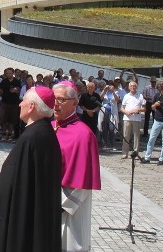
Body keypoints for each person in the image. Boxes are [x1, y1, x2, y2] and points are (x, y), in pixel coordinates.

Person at [0, 86, 62, 252]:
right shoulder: (42, 132)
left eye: (23, 101)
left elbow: (22, 184)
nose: (20, 104)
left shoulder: (33, 137)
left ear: (32, 106)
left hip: (21, 220)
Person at [52, 83, 101, 252]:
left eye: (61, 99)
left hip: (69, 207)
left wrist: (59, 204)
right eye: (53, 99)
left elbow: (84, 180)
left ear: (74, 103)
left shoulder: (83, 134)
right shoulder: (49, 127)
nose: (55, 104)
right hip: (46, 202)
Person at [120, 81, 145, 158]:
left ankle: (135, 153)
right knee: (126, 135)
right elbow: (122, 108)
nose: (133, 88)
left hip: (136, 119)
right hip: (127, 118)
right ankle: (125, 153)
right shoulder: (126, 96)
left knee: (136, 137)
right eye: (131, 86)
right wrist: (126, 112)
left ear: (136, 87)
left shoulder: (140, 96)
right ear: (129, 87)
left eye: (134, 86)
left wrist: (138, 110)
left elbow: (144, 108)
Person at [0, 68, 21, 142]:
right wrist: (1, 93)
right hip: (5, 102)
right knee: (4, 119)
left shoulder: (17, 81)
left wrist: (15, 91)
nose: (8, 74)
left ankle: (10, 134)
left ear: (13, 73)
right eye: (7, 73)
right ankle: (4, 134)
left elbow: (19, 91)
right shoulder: (3, 81)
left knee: (12, 120)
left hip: (14, 103)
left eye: (10, 73)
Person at [98, 81, 121, 149]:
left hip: (112, 112)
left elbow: (117, 100)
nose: (110, 87)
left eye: (112, 86)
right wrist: (105, 90)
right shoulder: (105, 92)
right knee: (105, 127)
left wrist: (113, 92)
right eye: (109, 86)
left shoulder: (116, 92)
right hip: (105, 111)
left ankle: (112, 144)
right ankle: (105, 143)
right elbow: (99, 97)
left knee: (112, 128)